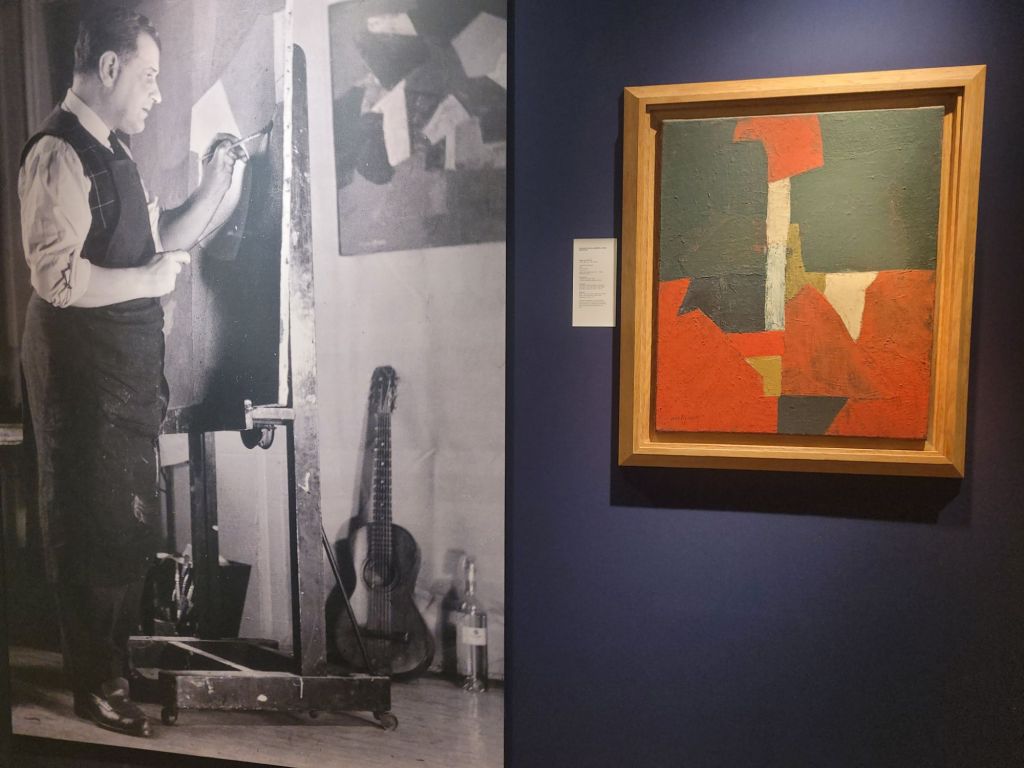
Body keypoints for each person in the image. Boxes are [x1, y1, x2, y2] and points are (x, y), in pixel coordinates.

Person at [19, 8, 247, 738]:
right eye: (147, 77)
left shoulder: (114, 152)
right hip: (80, 376)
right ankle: (97, 684)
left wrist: (217, 184)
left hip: (120, 374)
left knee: (123, 525)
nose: (157, 93)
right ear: (109, 68)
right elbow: (57, 280)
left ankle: (110, 664)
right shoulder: (57, 153)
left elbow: (158, 243)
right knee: (89, 523)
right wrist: (150, 281)